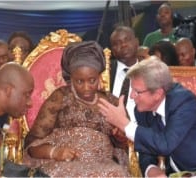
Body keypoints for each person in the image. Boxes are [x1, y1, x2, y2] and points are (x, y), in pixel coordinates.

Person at [98, 56, 196, 177]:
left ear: (158, 93)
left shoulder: (184, 102)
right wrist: (151, 170)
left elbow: (166, 144)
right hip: (183, 172)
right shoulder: (142, 109)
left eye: (137, 91)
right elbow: (146, 150)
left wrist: (125, 124)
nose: (131, 96)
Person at [23, 41, 130, 177]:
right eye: (79, 81)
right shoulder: (60, 96)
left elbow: (126, 145)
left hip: (104, 164)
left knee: (116, 173)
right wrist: (54, 152)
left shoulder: (112, 102)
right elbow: (32, 144)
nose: (86, 87)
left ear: (99, 76)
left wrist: (120, 137)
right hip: (64, 164)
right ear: (70, 78)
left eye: (92, 80)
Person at [109, 25, 139, 122]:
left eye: (127, 40)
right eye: (117, 43)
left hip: (140, 132)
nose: (123, 45)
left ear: (137, 42)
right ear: (112, 51)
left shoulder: (150, 71)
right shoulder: (104, 71)